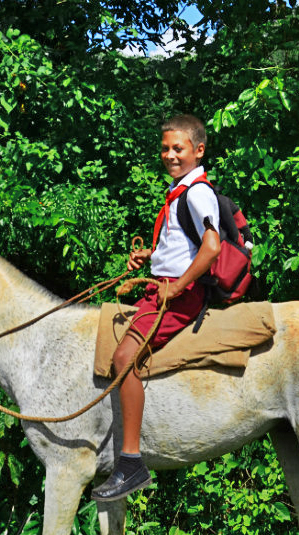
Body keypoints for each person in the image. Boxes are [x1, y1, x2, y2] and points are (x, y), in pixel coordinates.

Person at [91, 114, 221, 502]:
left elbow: (211, 247)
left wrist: (177, 286)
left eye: (177, 148)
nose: (169, 155)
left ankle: (131, 463)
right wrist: (151, 255)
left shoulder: (197, 192)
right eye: (165, 148)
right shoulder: (178, 190)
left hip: (180, 296)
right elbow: (184, 243)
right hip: (164, 287)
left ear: (198, 150)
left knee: (123, 357)